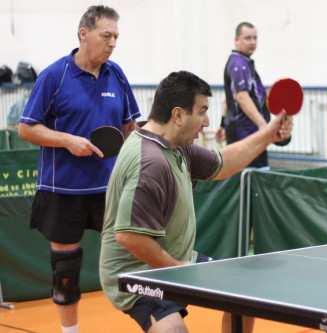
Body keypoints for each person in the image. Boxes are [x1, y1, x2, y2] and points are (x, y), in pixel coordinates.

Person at [99, 70, 293, 333]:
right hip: (135, 271)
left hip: (176, 258)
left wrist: (269, 134)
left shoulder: (174, 143)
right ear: (178, 115)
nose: (207, 121)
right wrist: (182, 272)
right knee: (173, 331)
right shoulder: (150, 162)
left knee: (245, 294)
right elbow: (130, 238)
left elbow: (223, 164)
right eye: (201, 111)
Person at [17, 5, 140, 333]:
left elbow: (131, 128)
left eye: (116, 36)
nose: (112, 43)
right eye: (106, 35)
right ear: (83, 34)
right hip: (63, 191)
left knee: (135, 257)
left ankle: (158, 322)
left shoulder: (117, 74)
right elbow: (27, 128)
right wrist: (67, 141)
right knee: (66, 271)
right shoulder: (54, 76)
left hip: (109, 188)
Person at [223, 21, 291, 168]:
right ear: (236, 40)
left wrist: (222, 124)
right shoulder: (238, 63)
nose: (252, 42)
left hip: (250, 133)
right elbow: (241, 96)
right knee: (253, 178)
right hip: (246, 134)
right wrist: (263, 126)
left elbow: (227, 99)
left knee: (254, 177)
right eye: (247, 38)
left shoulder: (245, 62)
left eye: (255, 38)